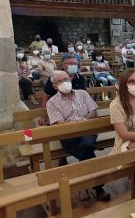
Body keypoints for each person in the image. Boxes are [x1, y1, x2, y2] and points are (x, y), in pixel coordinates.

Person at [46, 71, 111, 202]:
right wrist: (77, 123)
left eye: (66, 79)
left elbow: (93, 111)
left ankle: (83, 186)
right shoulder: (52, 103)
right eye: (60, 81)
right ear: (54, 86)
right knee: (87, 152)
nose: (65, 82)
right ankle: (98, 189)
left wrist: (84, 121)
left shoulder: (82, 93)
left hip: (88, 129)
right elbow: (60, 123)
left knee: (86, 145)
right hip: (68, 135)